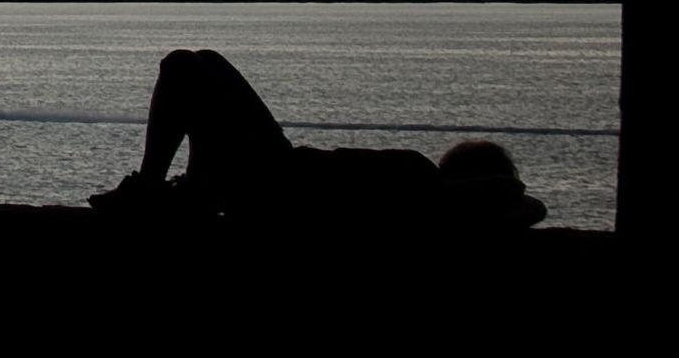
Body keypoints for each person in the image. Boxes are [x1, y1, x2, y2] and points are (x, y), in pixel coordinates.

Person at [92, 48, 545, 233]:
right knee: (196, 63)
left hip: (275, 179)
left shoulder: (424, 182)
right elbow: (520, 201)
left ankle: (151, 189)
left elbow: (522, 200)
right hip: (271, 178)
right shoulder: (425, 191)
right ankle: (170, 192)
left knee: (186, 67)